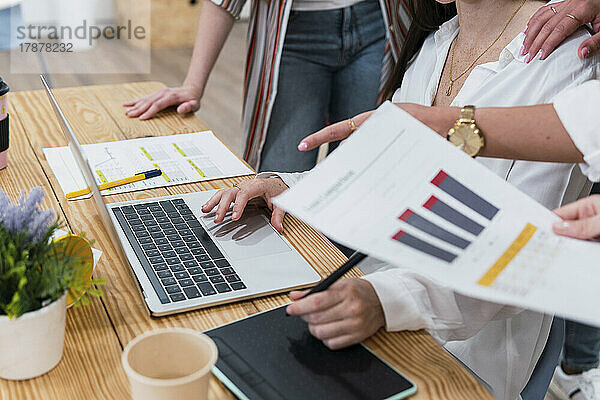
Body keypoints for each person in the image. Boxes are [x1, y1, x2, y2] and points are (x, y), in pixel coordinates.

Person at [202, 1, 600, 399]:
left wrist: (386, 301)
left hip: (460, 357)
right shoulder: (435, 45)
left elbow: (522, 258)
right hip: (365, 305)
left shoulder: (568, 63)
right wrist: (289, 186)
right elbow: (377, 175)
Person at [122, 0, 410, 172]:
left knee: (361, 172)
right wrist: (193, 85)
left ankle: (346, 273)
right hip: (292, 38)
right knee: (278, 180)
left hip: (380, 25)